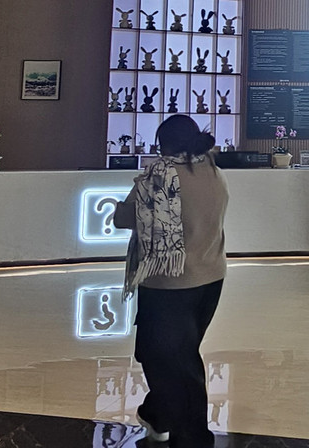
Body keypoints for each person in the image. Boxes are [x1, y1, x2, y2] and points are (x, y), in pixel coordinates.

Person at [125, 115, 228, 447]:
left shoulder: (160, 177)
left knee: (168, 360)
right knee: (177, 355)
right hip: (210, 277)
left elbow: (123, 216)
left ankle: (192, 437)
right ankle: (158, 416)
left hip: (168, 282)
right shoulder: (212, 170)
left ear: (164, 145)